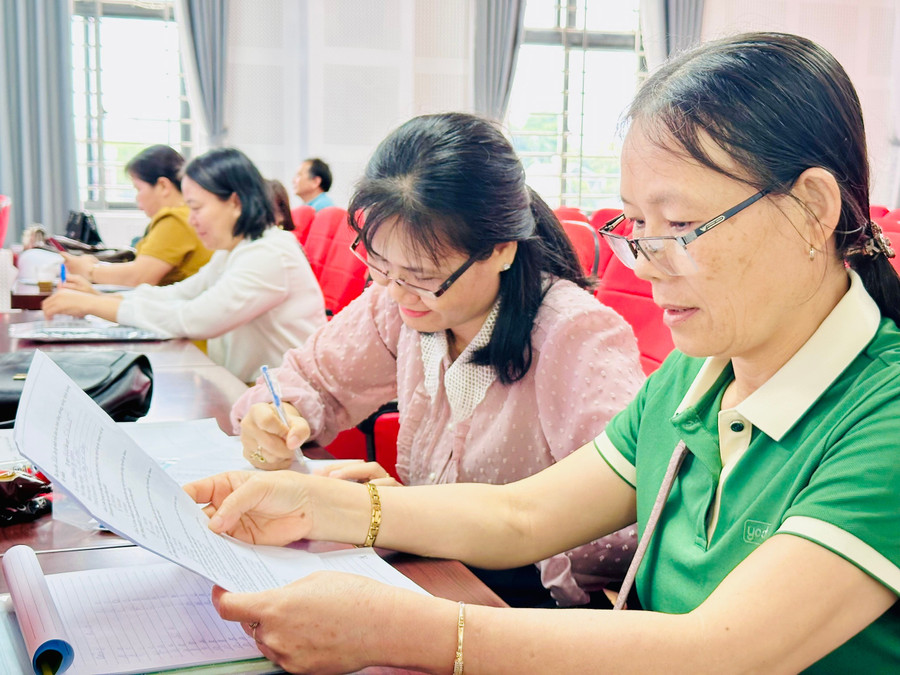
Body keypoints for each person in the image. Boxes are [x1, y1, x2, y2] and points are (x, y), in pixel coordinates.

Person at [186, 32, 900, 673]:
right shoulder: (697, 375)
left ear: (813, 209)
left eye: (679, 224)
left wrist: (400, 629)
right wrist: (314, 502)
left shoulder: (882, 416)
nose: (645, 262)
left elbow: (723, 651)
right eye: (635, 225)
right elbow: (524, 515)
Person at [232, 112, 645, 607]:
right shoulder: (397, 302)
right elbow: (309, 379)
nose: (396, 291)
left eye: (423, 275)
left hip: (527, 608)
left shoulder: (574, 335)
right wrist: (276, 418)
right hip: (430, 571)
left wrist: (410, 514)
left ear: (501, 250)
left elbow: (626, 526)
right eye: (378, 263)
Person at [43, 148, 328, 383]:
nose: (191, 219)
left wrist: (93, 305)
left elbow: (193, 319)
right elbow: (178, 294)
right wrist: (104, 299)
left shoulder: (269, 254)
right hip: (252, 389)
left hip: (288, 404)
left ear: (235, 203)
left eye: (197, 207)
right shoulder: (236, 250)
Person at [62, 145, 213, 286]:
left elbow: (139, 276)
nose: (137, 198)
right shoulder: (184, 213)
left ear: (163, 186)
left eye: (139, 189)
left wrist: (89, 270)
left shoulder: (175, 219)